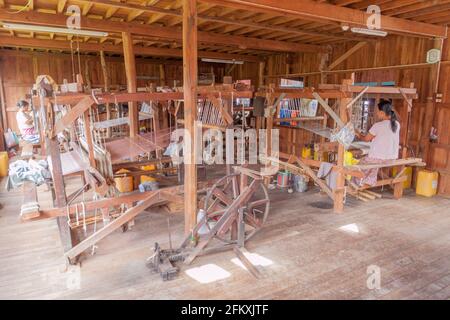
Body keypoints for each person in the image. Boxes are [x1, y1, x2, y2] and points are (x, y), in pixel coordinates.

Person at [353, 100, 400, 186]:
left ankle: (358, 184)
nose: (377, 113)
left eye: (377, 111)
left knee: (358, 166)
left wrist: (357, 134)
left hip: (379, 158)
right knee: (373, 163)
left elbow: (366, 139)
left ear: (382, 113)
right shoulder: (397, 124)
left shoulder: (378, 126)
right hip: (391, 158)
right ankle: (369, 181)